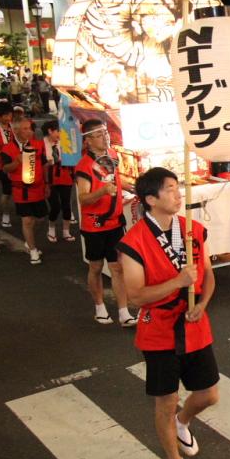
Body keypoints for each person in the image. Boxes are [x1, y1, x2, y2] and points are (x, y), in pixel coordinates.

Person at [117, 167, 218, 459]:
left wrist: (202, 302)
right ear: (150, 199)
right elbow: (135, 296)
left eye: (178, 188)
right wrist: (177, 281)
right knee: (165, 402)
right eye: (171, 189)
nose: (179, 195)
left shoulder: (193, 230)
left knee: (208, 395)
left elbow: (208, 276)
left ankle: (183, 422)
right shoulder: (133, 243)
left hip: (194, 323)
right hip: (158, 330)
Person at [75, 119, 135, 326]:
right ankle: (99, 307)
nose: (105, 137)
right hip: (95, 225)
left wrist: (134, 187)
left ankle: (124, 311)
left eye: (106, 133)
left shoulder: (112, 155)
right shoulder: (84, 166)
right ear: (88, 140)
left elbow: (116, 181)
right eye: (100, 134)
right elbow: (82, 198)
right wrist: (101, 191)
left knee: (117, 267)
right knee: (96, 266)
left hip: (115, 222)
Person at [0, 117, 47, 264]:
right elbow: (5, 168)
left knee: (40, 218)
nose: (30, 131)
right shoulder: (7, 149)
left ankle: (28, 239)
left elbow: (44, 164)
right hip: (21, 190)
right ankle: (33, 251)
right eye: (25, 129)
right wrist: (16, 161)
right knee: (26, 220)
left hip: (38, 188)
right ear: (16, 130)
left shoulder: (38, 145)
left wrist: (48, 184)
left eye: (30, 128)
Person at [42, 120, 75, 242]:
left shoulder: (64, 142)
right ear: (50, 131)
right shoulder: (41, 145)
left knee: (67, 204)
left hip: (65, 176)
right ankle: (51, 228)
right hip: (50, 179)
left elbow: (73, 158)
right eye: (58, 131)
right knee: (55, 206)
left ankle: (66, 231)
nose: (60, 133)